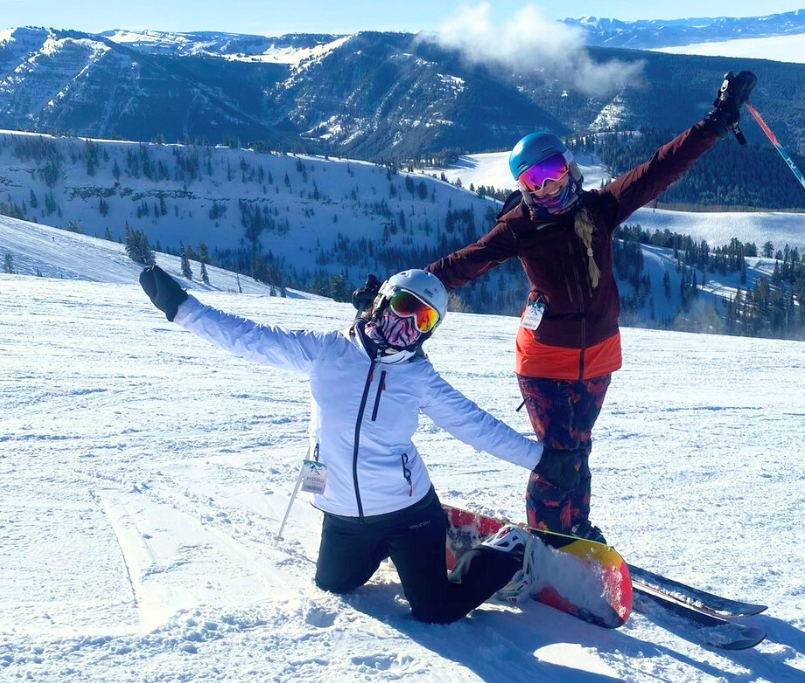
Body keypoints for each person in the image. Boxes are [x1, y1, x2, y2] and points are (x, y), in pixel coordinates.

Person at [138, 265, 582, 624]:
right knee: (334, 586)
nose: (408, 324)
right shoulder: (326, 351)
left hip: (407, 513)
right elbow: (251, 338)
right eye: (405, 306)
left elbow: (475, 426)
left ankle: (509, 549)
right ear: (383, 302)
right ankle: (399, 553)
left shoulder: (419, 378)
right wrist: (184, 310)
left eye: (423, 319)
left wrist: (542, 459)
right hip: (344, 514)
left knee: (436, 610)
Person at [423, 71, 759, 543]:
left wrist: (718, 121)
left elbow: (660, 168)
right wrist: (405, 288)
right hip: (544, 361)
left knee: (578, 450)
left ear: (570, 168)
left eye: (552, 172)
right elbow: (465, 262)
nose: (545, 187)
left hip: (598, 357)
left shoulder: (599, 210)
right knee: (557, 456)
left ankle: (573, 527)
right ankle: (547, 539)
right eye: (532, 181)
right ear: (522, 188)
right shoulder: (520, 228)